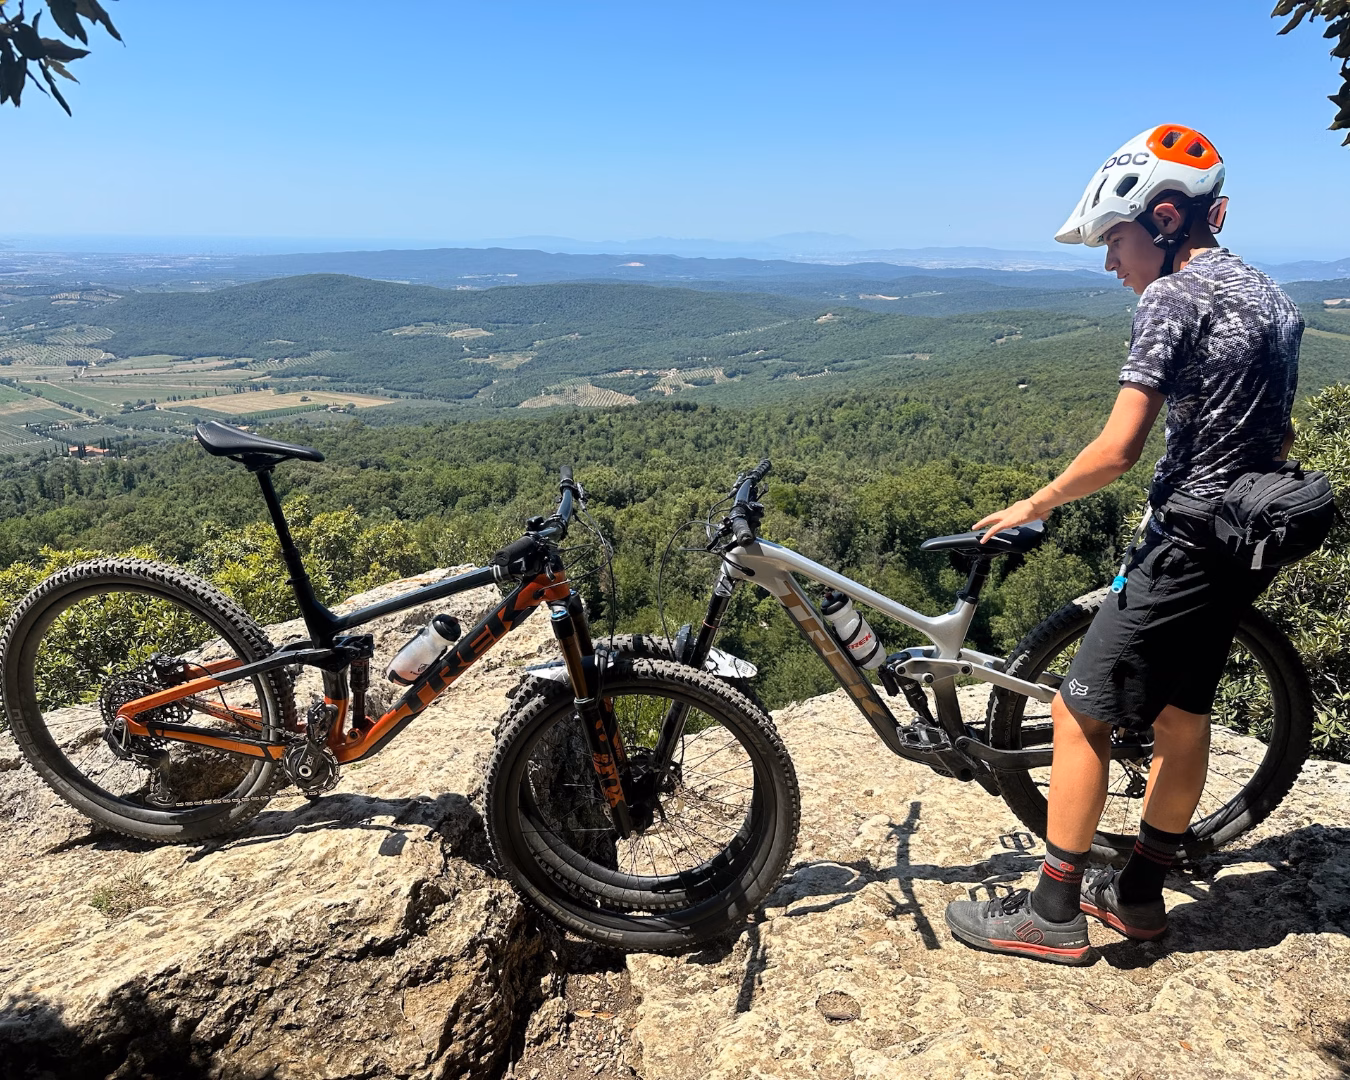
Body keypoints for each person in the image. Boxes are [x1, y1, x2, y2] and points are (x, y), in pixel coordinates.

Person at [943, 124, 1303, 964]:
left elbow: (1117, 450)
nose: (1110, 263)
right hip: (1244, 541)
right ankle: (1138, 894)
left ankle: (1052, 912)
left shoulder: (1172, 299)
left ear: (1166, 219)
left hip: (1184, 543)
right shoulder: (1275, 300)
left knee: (1078, 713)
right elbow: (1279, 436)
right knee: (1182, 715)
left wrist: (1033, 503)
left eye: (1115, 239)